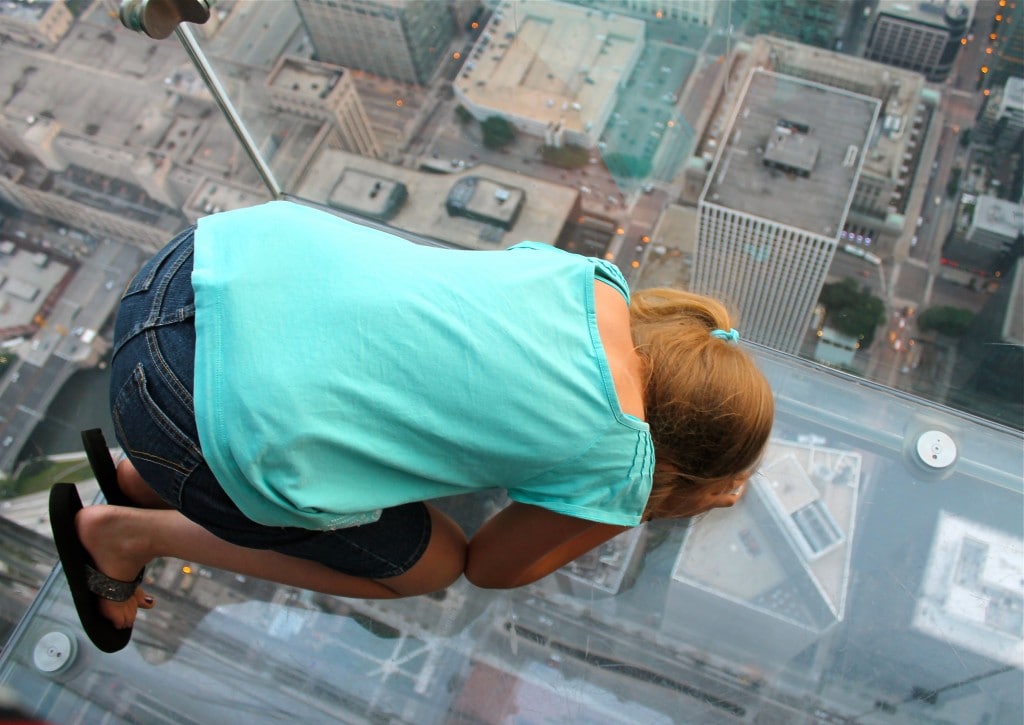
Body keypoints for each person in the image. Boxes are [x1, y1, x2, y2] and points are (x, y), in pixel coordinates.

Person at [50, 200, 774, 653]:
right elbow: (491, 568)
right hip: (180, 415)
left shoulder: (593, 280)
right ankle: (121, 533)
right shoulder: (622, 461)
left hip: (195, 268)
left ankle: (136, 478)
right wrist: (653, 497)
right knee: (430, 567)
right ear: (676, 465)